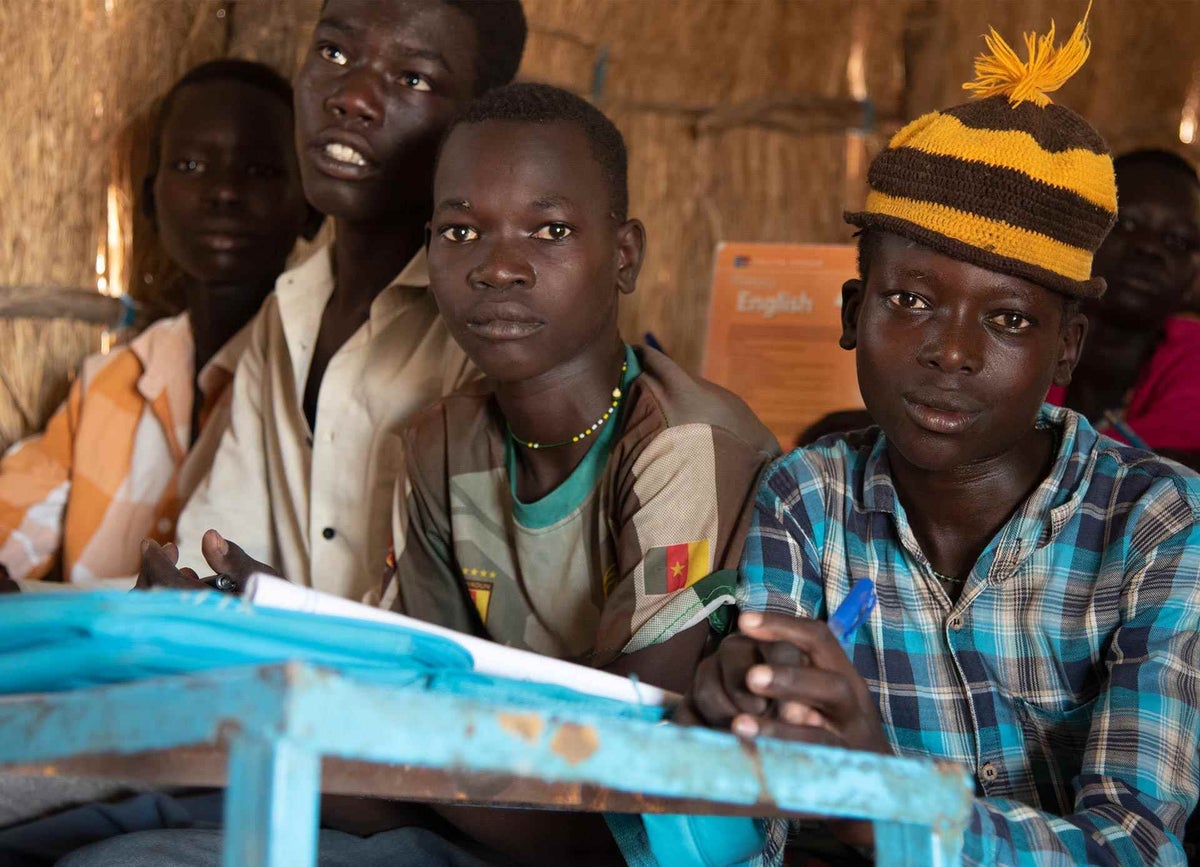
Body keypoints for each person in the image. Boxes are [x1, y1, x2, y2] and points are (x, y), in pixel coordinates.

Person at [75, 82, 781, 867]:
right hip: (476, 820)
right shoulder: (444, 442)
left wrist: (320, 675)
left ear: (624, 256)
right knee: (100, 836)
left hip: (631, 845)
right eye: (461, 230)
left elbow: (622, 785)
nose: (498, 267)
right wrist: (248, 658)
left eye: (548, 230)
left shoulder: (680, 447)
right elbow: (404, 739)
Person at [681, 15, 1200, 867]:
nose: (949, 352)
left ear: (1065, 348)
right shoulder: (807, 501)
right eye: (910, 301)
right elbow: (755, 838)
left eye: (1007, 319)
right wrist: (727, 737)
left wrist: (884, 800)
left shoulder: (1157, 526)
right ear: (853, 315)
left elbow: (1134, 850)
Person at [172, 0, 528, 601]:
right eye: (334, 53)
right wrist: (177, 593)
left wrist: (279, 611)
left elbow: (460, 623)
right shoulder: (288, 310)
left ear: (479, 124)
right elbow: (213, 543)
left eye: (412, 77)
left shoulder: (493, 337)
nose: (351, 97)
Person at [0, 59, 314, 588]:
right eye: (191, 167)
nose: (223, 193)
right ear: (149, 198)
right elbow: (12, 530)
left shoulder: (312, 387)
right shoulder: (108, 382)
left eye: (259, 171)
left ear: (311, 207)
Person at [1052, 149, 1200, 465]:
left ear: (1194, 280)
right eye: (1126, 224)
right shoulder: (1018, 329)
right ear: (1077, 236)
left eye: (1177, 242)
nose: (1149, 248)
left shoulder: (1194, 358)